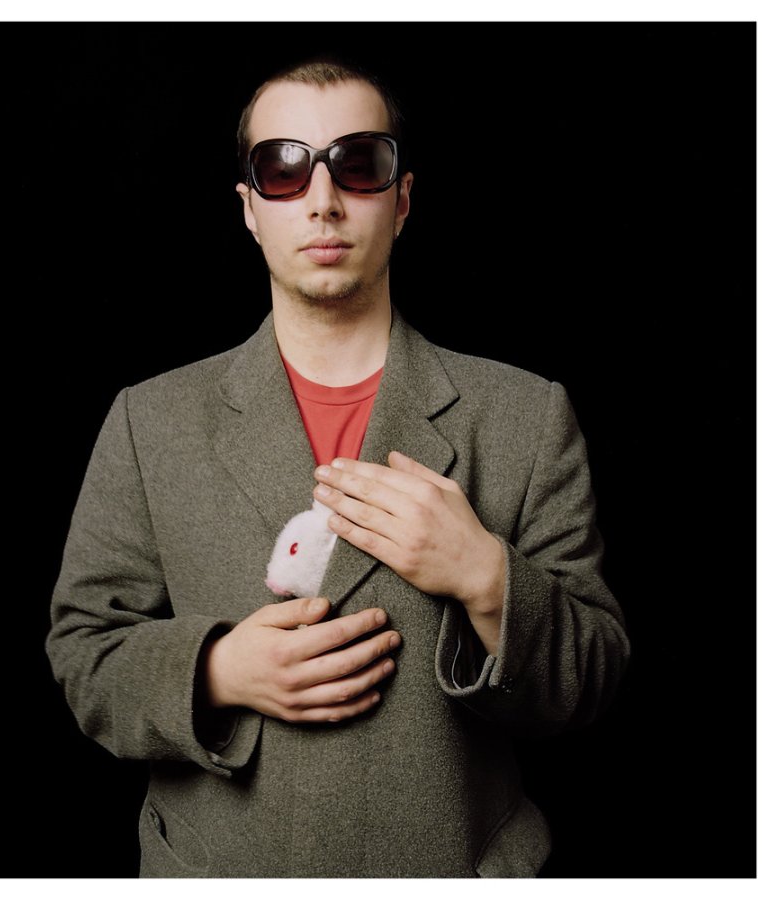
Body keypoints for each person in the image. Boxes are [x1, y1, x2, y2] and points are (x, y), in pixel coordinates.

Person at [46, 56, 630, 879]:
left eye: (357, 164)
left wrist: (486, 576)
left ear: (402, 199)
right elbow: (83, 655)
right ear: (250, 209)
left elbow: (593, 679)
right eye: (284, 169)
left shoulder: (526, 416)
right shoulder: (151, 421)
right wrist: (215, 671)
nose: (322, 200)